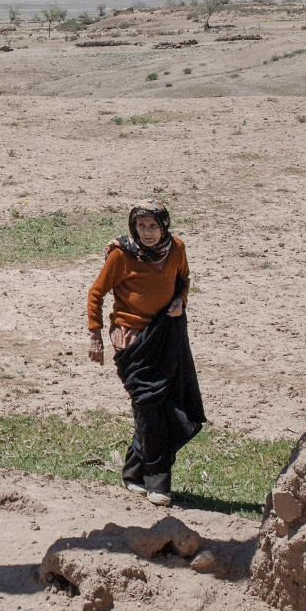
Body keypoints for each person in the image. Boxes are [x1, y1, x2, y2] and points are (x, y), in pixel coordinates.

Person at [85, 198, 206, 507]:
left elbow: (183, 281)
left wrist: (181, 299)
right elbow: (96, 293)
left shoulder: (176, 248)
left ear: (163, 226)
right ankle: (158, 483)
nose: (147, 232)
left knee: (162, 407)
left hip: (166, 334)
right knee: (148, 405)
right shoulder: (121, 255)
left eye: (153, 226)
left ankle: (133, 472)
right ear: (133, 227)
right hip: (131, 339)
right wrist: (95, 335)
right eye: (141, 226)